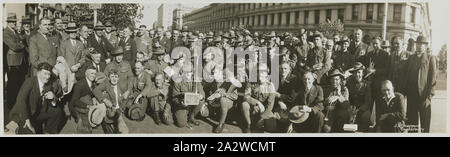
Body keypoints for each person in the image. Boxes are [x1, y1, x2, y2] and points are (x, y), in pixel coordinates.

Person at [7, 62, 64, 134]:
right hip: (23, 114)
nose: (47, 77)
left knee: (57, 111)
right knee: (30, 132)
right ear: (38, 73)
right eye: (45, 73)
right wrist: (27, 120)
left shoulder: (48, 85)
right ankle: (15, 126)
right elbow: (21, 100)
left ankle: (49, 132)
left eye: (49, 74)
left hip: (36, 112)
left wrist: (53, 98)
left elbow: (49, 105)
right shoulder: (30, 81)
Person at [405, 35, 437, 133]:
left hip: (424, 96)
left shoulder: (430, 58)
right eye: (417, 44)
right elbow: (407, 74)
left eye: (421, 44)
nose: (419, 46)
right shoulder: (411, 58)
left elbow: (433, 78)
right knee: (411, 124)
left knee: (425, 124)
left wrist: (429, 95)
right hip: (412, 95)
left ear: (425, 46)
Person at [92, 69, 129, 133]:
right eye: (112, 77)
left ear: (118, 78)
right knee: (108, 128)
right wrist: (105, 100)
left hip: (118, 110)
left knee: (123, 129)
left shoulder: (121, 86)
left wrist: (122, 108)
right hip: (109, 110)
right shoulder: (106, 84)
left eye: (116, 77)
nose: (114, 79)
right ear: (109, 78)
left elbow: (125, 98)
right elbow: (95, 90)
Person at [241, 65, 276, 133]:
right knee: (244, 104)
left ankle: (258, 121)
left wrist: (263, 118)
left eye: (263, 72)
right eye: (259, 72)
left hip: (264, 110)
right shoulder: (251, 83)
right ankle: (248, 124)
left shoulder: (270, 85)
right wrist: (257, 103)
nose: (260, 74)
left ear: (266, 73)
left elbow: (270, 105)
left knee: (272, 127)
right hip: (252, 107)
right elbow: (246, 97)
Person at [4, 13, 26, 110]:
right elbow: (14, 46)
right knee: (12, 85)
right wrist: (21, 44)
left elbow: (22, 40)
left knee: (18, 84)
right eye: (11, 22)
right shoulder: (5, 33)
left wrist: (20, 43)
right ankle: (10, 106)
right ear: (8, 22)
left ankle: (16, 105)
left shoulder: (15, 32)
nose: (13, 23)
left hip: (19, 61)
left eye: (14, 21)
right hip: (12, 63)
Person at [69, 66, 98, 133]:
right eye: (91, 73)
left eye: (94, 74)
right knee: (85, 129)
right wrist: (87, 106)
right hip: (77, 106)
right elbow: (74, 101)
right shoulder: (80, 84)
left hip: (86, 102)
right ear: (86, 74)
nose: (93, 75)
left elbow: (92, 93)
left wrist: (93, 98)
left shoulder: (93, 83)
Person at [346, 62, 373, 132]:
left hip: (362, 108)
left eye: (359, 72)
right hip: (351, 108)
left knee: (366, 116)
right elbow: (347, 98)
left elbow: (368, 102)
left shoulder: (367, 85)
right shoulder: (349, 84)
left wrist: (359, 110)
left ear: (363, 73)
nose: (357, 75)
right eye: (355, 73)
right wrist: (350, 109)